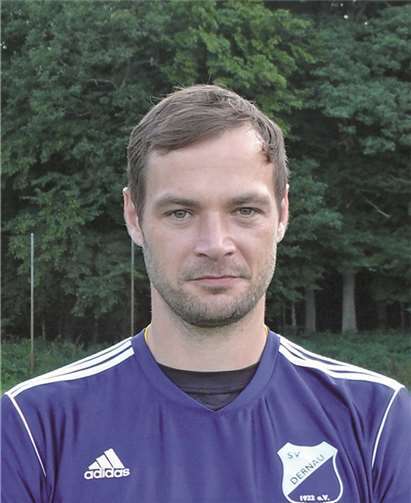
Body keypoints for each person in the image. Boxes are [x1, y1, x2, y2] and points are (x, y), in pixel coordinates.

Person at [2, 85, 410, 503]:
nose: (215, 244)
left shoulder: (377, 419)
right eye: (180, 213)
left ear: (283, 213)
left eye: (245, 210)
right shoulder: (34, 426)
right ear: (134, 217)